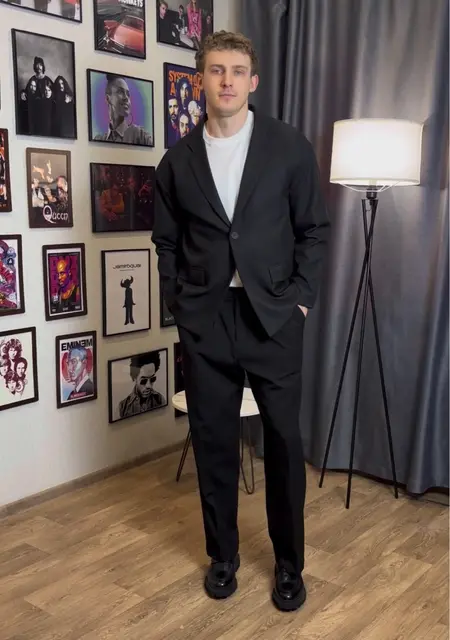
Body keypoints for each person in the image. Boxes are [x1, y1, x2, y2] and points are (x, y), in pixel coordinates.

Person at [152, 30, 330, 612]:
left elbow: (313, 231)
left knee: (282, 443)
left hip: (273, 315)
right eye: (215, 70)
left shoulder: (289, 147)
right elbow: (166, 242)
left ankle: (289, 564)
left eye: (236, 71)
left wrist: (300, 300)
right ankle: (222, 556)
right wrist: (179, 305)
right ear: (200, 81)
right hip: (206, 321)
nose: (226, 81)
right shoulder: (177, 161)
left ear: (252, 81)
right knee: (213, 442)